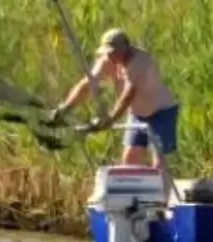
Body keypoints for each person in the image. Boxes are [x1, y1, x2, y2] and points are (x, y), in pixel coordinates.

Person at [49, 28, 180, 170]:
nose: (111, 56)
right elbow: (87, 85)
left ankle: (162, 188)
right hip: (137, 114)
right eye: (108, 52)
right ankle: (131, 190)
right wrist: (65, 108)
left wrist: (110, 119)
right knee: (129, 160)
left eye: (114, 52)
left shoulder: (140, 62)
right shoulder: (107, 61)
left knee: (159, 160)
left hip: (161, 112)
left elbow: (128, 96)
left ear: (125, 49)